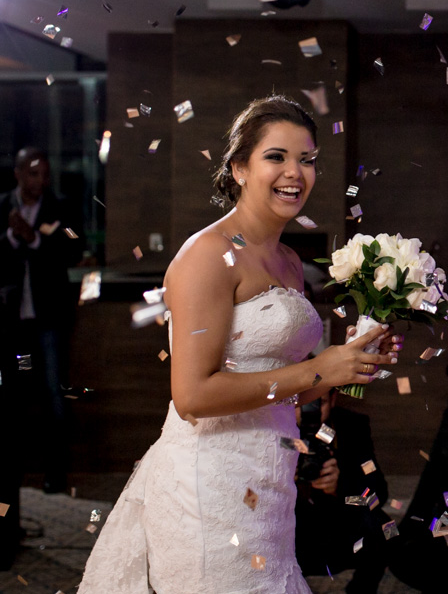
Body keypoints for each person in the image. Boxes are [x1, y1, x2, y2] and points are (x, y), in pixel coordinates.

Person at [77, 95, 401, 593]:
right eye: (277, 156)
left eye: (307, 159)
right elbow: (193, 398)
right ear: (239, 168)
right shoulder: (208, 254)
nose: (295, 172)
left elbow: (280, 388)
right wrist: (320, 370)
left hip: (271, 479)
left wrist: (351, 365)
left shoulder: (291, 262)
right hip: (209, 483)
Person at [0, 147, 84, 498]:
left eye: (45, 175)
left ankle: (54, 477)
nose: (40, 181)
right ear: (18, 173)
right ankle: (12, 479)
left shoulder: (59, 208)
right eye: (33, 174)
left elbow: (73, 251)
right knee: (11, 398)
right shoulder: (2, 205)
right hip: (12, 324)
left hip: (49, 322)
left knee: (53, 395)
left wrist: (32, 238)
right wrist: (9, 236)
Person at [294, 392, 395, 593]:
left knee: (386, 528)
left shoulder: (351, 426)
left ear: (332, 400)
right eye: (299, 403)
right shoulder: (272, 428)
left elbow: (378, 494)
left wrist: (341, 487)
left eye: (317, 403)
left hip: (337, 523)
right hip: (291, 528)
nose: (308, 413)